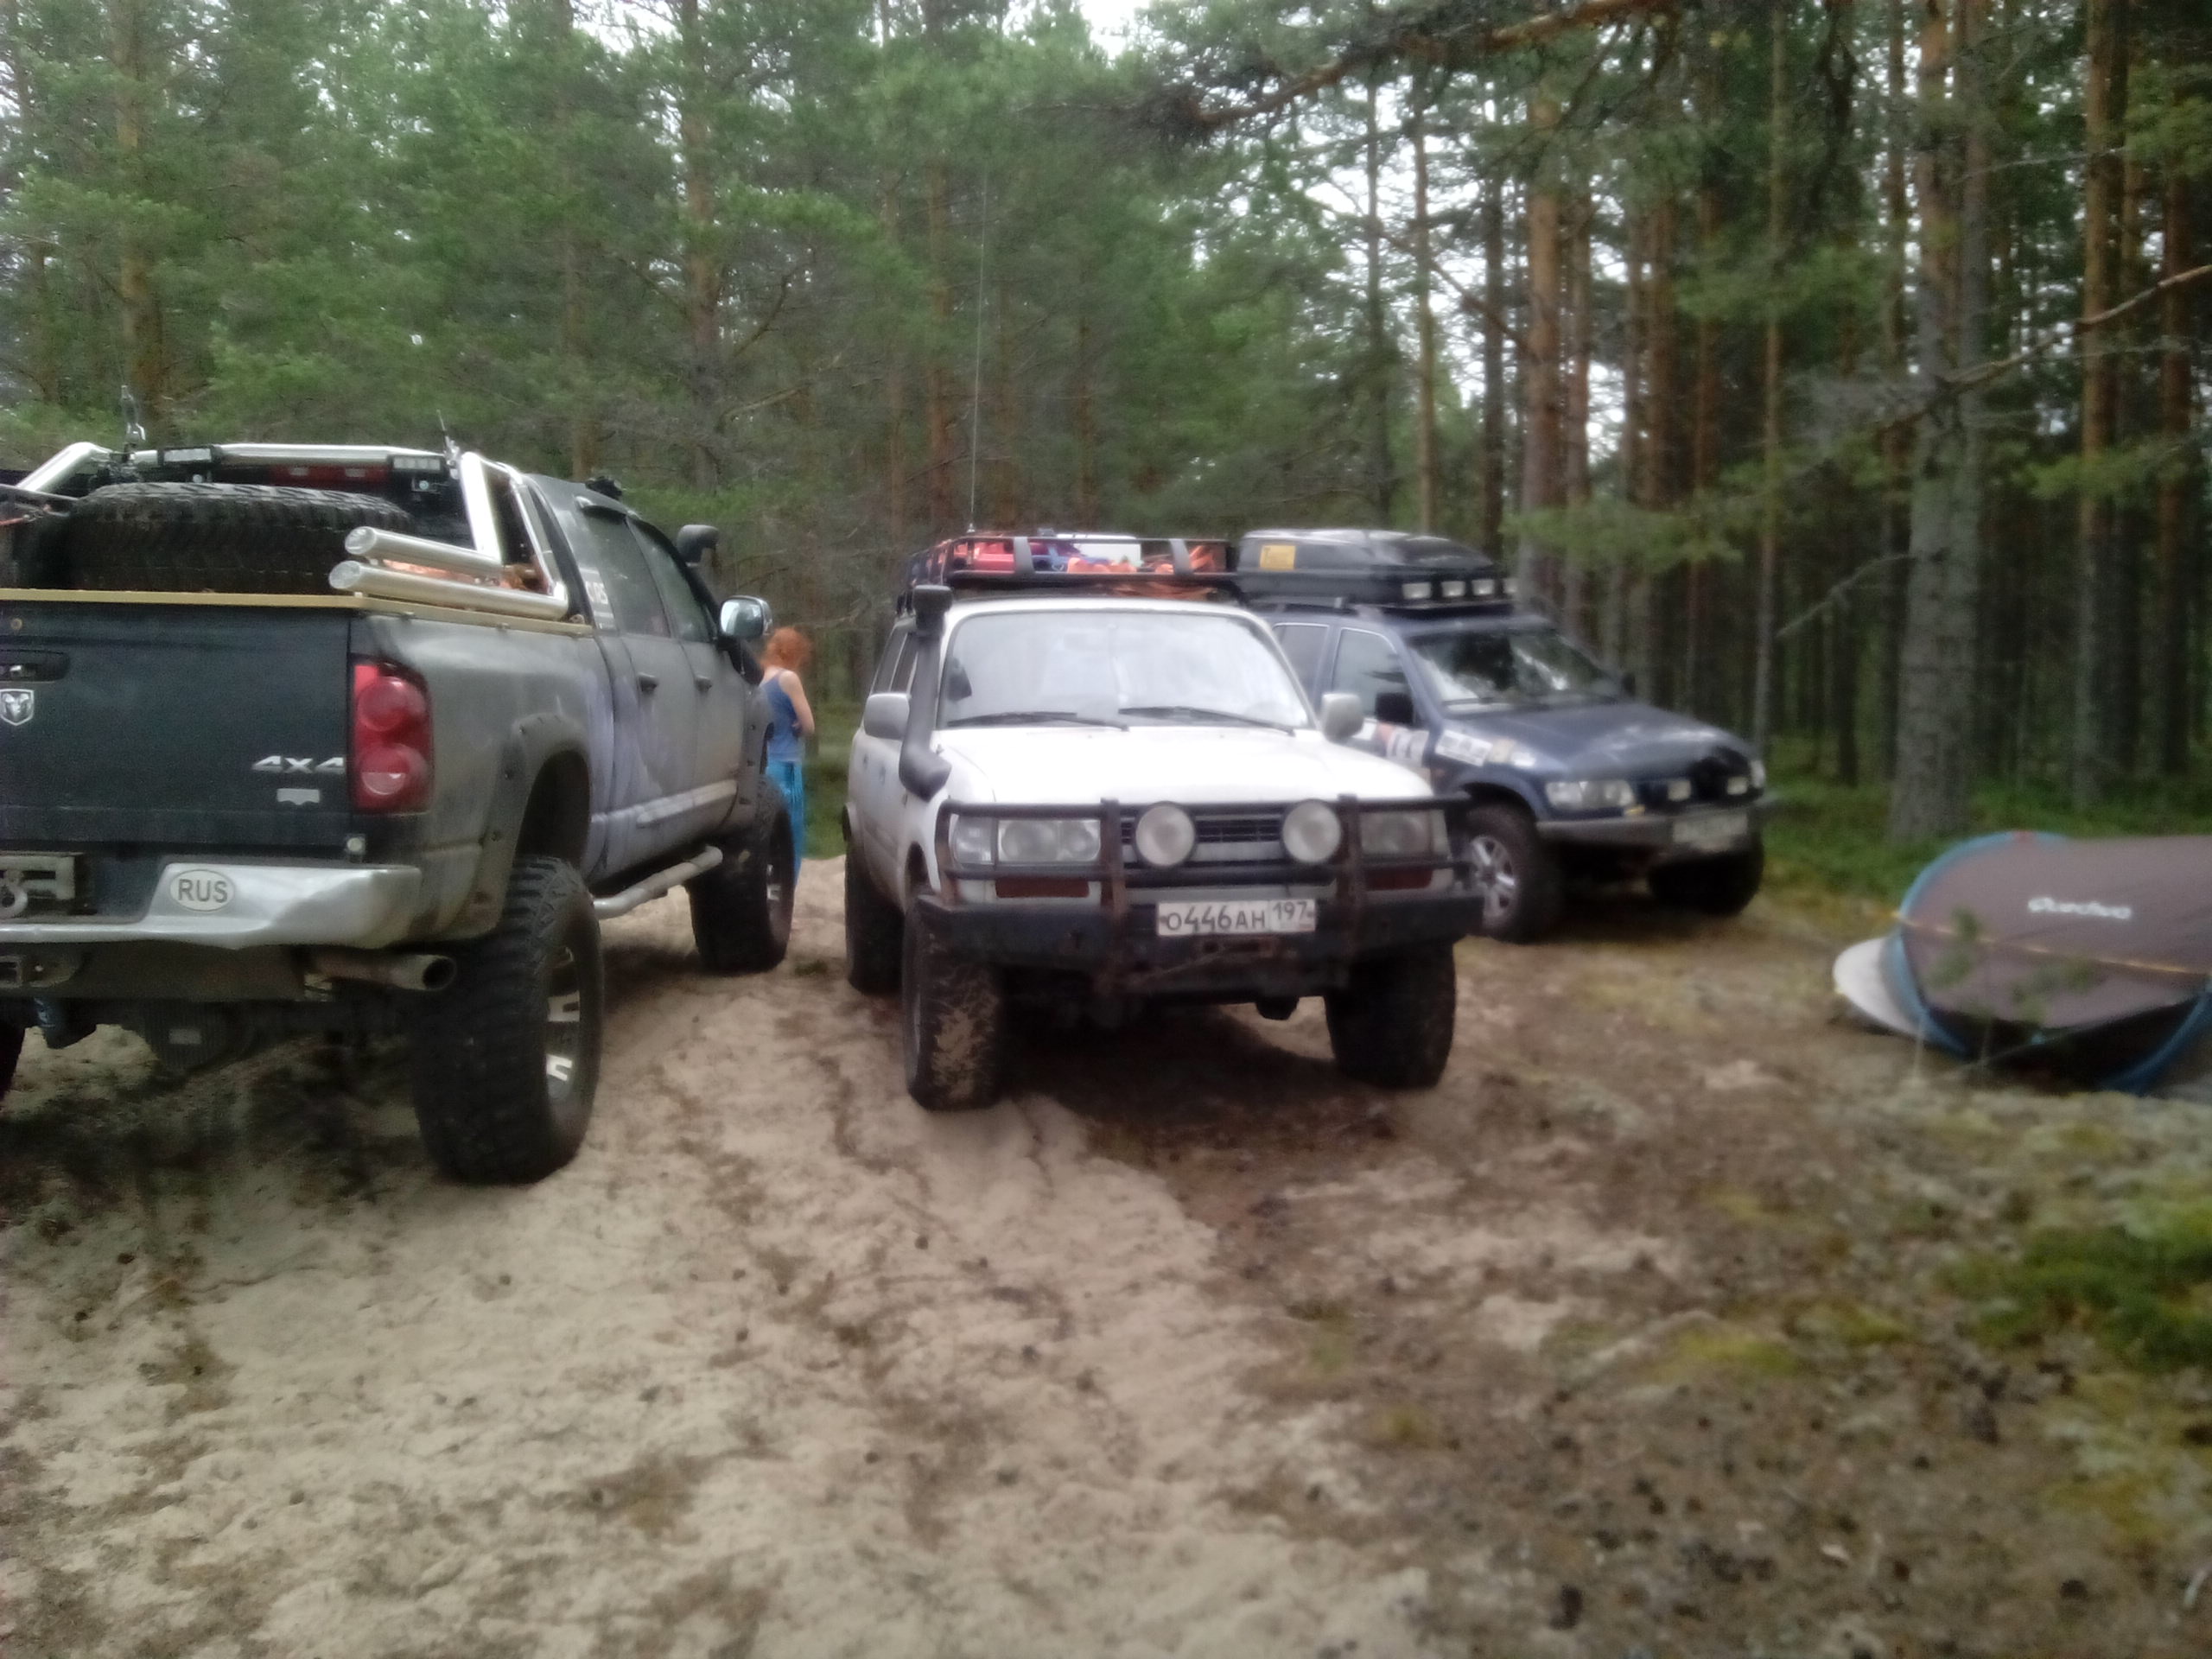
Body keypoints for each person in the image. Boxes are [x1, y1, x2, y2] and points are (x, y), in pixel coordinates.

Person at [760, 627, 816, 874]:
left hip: (762, 764)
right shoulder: (788, 678)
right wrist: (799, 726)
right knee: (790, 833)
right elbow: (809, 725)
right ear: (794, 652)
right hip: (786, 765)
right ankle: (786, 887)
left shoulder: (759, 679)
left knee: (765, 831)